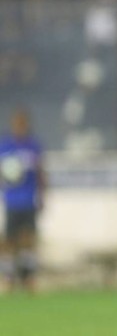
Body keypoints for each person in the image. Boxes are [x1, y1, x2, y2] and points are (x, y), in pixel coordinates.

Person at [0, 107, 47, 293]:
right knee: (8, 242)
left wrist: (43, 196)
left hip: (29, 200)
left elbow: (41, 173)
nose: (20, 126)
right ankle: (8, 279)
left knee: (28, 240)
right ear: (13, 125)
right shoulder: (5, 147)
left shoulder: (33, 146)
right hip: (12, 201)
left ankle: (29, 279)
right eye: (17, 123)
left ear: (27, 125)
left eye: (23, 123)